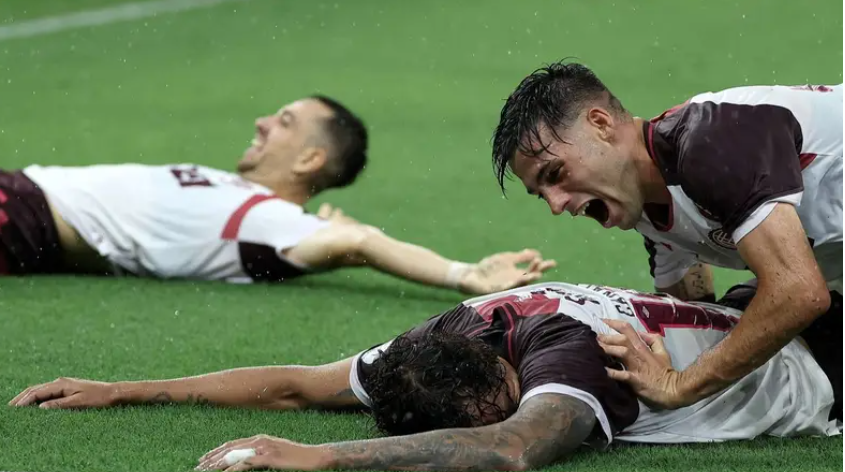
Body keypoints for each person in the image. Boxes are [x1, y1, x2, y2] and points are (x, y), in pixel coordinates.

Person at [10, 282, 839, 471]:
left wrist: (320, 458)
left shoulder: (567, 354)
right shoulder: (439, 339)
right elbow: (299, 383)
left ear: (502, 372)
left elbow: (508, 450)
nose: (483, 419)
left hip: (823, 359)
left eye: (485, 408)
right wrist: (128, 388)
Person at [490, 61, 842, 409]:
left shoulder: (711, 141)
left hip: (813, 285)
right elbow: (697, 314)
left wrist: (679, 385)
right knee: (745, 324)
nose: (555, 205)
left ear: (600, 124)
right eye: (542, 194)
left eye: (555, 173)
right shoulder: (647, 206)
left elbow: (798, 292)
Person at [0, 95, 554, 295]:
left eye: (285, 121)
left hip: (22, 219)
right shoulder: (261, 206)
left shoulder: (271, 224)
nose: (264, 121)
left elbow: (360, 241)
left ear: (310, 159)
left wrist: (467, 276)